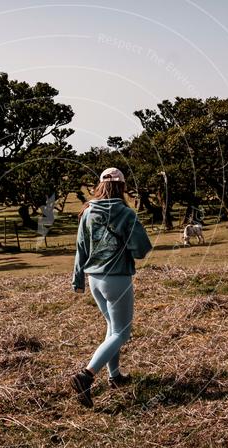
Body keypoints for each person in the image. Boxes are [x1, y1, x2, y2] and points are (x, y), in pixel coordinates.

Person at [69, 167, 153, 408]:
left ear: (100, 186)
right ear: (122, 187)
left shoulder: (86, 212)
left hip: (93, 278)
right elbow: (141, 250)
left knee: (112, 328)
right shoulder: (126, 213)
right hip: (116, 279)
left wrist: (77, 279)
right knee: (121, 333)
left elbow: (80, 248)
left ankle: (114, 376)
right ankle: (86, 376)